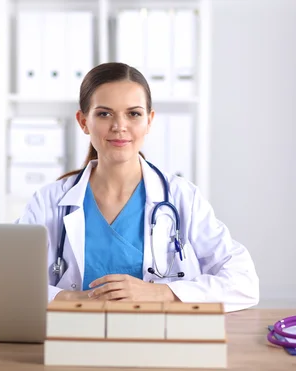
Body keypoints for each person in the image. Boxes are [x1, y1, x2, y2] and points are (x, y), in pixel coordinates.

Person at [17, 62, 259, 312]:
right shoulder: (48, 201)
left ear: (149, 120)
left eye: (133, 114)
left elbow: (244, 283)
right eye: (104, 114)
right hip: (72, 338)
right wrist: (73, 299)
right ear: (83, 121)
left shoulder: (181, 197)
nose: (119, 126)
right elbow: (8, 280)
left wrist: (161, 293)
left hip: (161, 340)